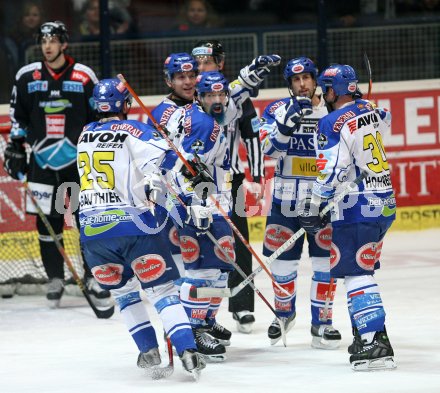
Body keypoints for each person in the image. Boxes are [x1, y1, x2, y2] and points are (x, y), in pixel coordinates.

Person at [77, 77, 206, 379]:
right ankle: (188, 350)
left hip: (93, 232)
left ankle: (148, 350)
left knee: (124, 294)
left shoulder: (84, 134)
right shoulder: (138, 129)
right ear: (126, 104)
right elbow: (167, 165)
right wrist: (193, 176)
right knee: (162, 292)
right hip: (132, 225)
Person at [3, 21, 110, 307]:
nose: (47, 45)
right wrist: (15, 147)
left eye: (52, 40)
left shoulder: (84, 76)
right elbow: (18, 116)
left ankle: (93, 276)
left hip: (77, 162)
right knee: (47, 223)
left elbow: (98, 116)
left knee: (87, 220)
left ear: (64, 43)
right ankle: (55, 278)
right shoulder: (27, 76)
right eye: (43, 40)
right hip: (41, 160)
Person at [298, 64, 397, 371]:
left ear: (333, 91)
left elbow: (332, 171)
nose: (321, 94)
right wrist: (362, 105)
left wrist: (314, 204)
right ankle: (364, 334)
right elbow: (385, 119)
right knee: (362, 267)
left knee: (357, 274)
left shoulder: (329, 122)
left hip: (356, 206)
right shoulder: (374, 110)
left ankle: (374, 342)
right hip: (385, 202)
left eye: (324, 88)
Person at [260, 56, 342, 348]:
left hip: (324, 202)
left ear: (316, 79)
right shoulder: (275, 109)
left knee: (325, 264)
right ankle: (283, 313)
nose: (302, 84)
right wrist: (287, 122)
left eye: (306, 77)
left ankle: (323, 323)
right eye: (296, 80)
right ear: (289, 84)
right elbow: (268, 149)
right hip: (285, 201)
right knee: (281, 264)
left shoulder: (332, 109)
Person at [191, 40, 265, 334]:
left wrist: (257, 177)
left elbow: (252, 135)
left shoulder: (236, 95)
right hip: (194, 182)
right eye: (197, 62)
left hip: (230, 181)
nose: (200, 67)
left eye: (207, 61)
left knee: (238, 243)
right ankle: (197, 311)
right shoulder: (191, 95)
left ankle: (242, 304)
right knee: (196, 245)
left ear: (220, 63)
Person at [9, 1, 44, 65]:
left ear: (41, 17)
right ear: (21, 17)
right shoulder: (14, 38)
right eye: (27, 15)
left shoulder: (46, 35)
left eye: (35, 15)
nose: (31, 18)